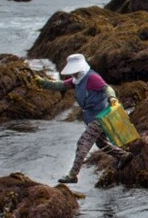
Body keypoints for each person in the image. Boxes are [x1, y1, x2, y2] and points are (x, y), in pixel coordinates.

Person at [36, 53, 133, 184]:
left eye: (75, 71)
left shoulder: (92, 77)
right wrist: (41, 82)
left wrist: (112, 98)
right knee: (101, 143)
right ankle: (124, 156)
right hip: (91, 117)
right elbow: (60, 85)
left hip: (100, 117)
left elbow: (107, 88)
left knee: (83, 143)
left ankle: (73, 175)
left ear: (80, 69)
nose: (73, 74)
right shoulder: (77, 80)